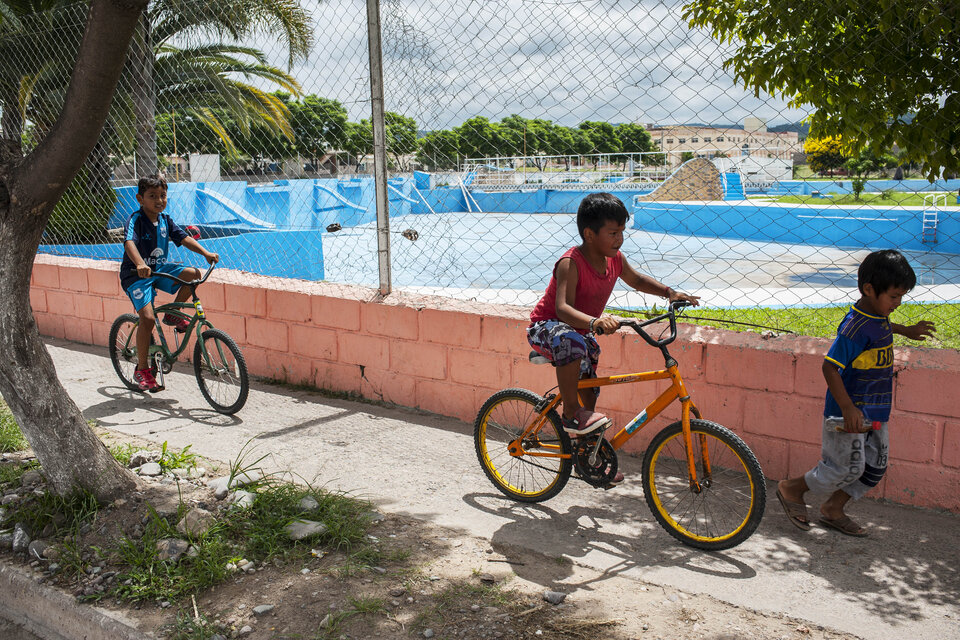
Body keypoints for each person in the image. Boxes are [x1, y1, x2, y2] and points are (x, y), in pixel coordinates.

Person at [527, 192, 700, 484]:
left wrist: (670, 292)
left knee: (591, 386)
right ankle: (570, 413)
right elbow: (562, 308)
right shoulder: (571, 262)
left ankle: (587, 453)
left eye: (622, 232)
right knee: (572, 342)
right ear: (589, 234)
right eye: (612, 233)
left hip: (580, 333)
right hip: (548, 327)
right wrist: (595, 321)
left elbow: (636, 280)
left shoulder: (615, 259)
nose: (619, 239)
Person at [776, 250, 936, 536]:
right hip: (847, 413)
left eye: (902, 296)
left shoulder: (877, 316)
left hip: (875, 411)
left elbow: (882, 327)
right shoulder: (854, 328)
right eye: (894, 296)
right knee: (843, 469)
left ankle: (833, 509)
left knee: (874, 467)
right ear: (869, 289)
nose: (898, 303)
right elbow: (829, 368)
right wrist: (848, 408)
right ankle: (791, 488)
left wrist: (906, 330)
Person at [119, 175, 219, 392]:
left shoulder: (166, 220)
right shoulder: (136, 220)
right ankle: (143, 369)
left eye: (163, 195)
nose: (159, 200)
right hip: (136, 275)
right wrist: (139, 264)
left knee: (193, 274)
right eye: (152, 196)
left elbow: (184, 238)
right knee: (146, 318)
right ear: (140, 198)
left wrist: (205, 253)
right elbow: (129, 243)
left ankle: (172, 315)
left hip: (158, 270)